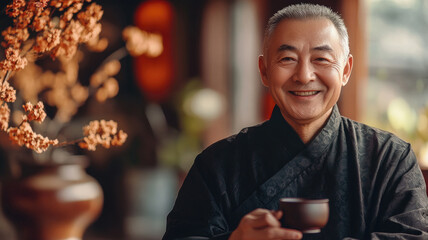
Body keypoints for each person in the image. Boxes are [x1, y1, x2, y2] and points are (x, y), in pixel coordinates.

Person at [163, 3, 428, 240]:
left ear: (345, 70)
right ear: (264, 71)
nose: (303, 75)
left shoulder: (390, 159)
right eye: (287, 59)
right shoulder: (216, 165)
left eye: (321, 59)